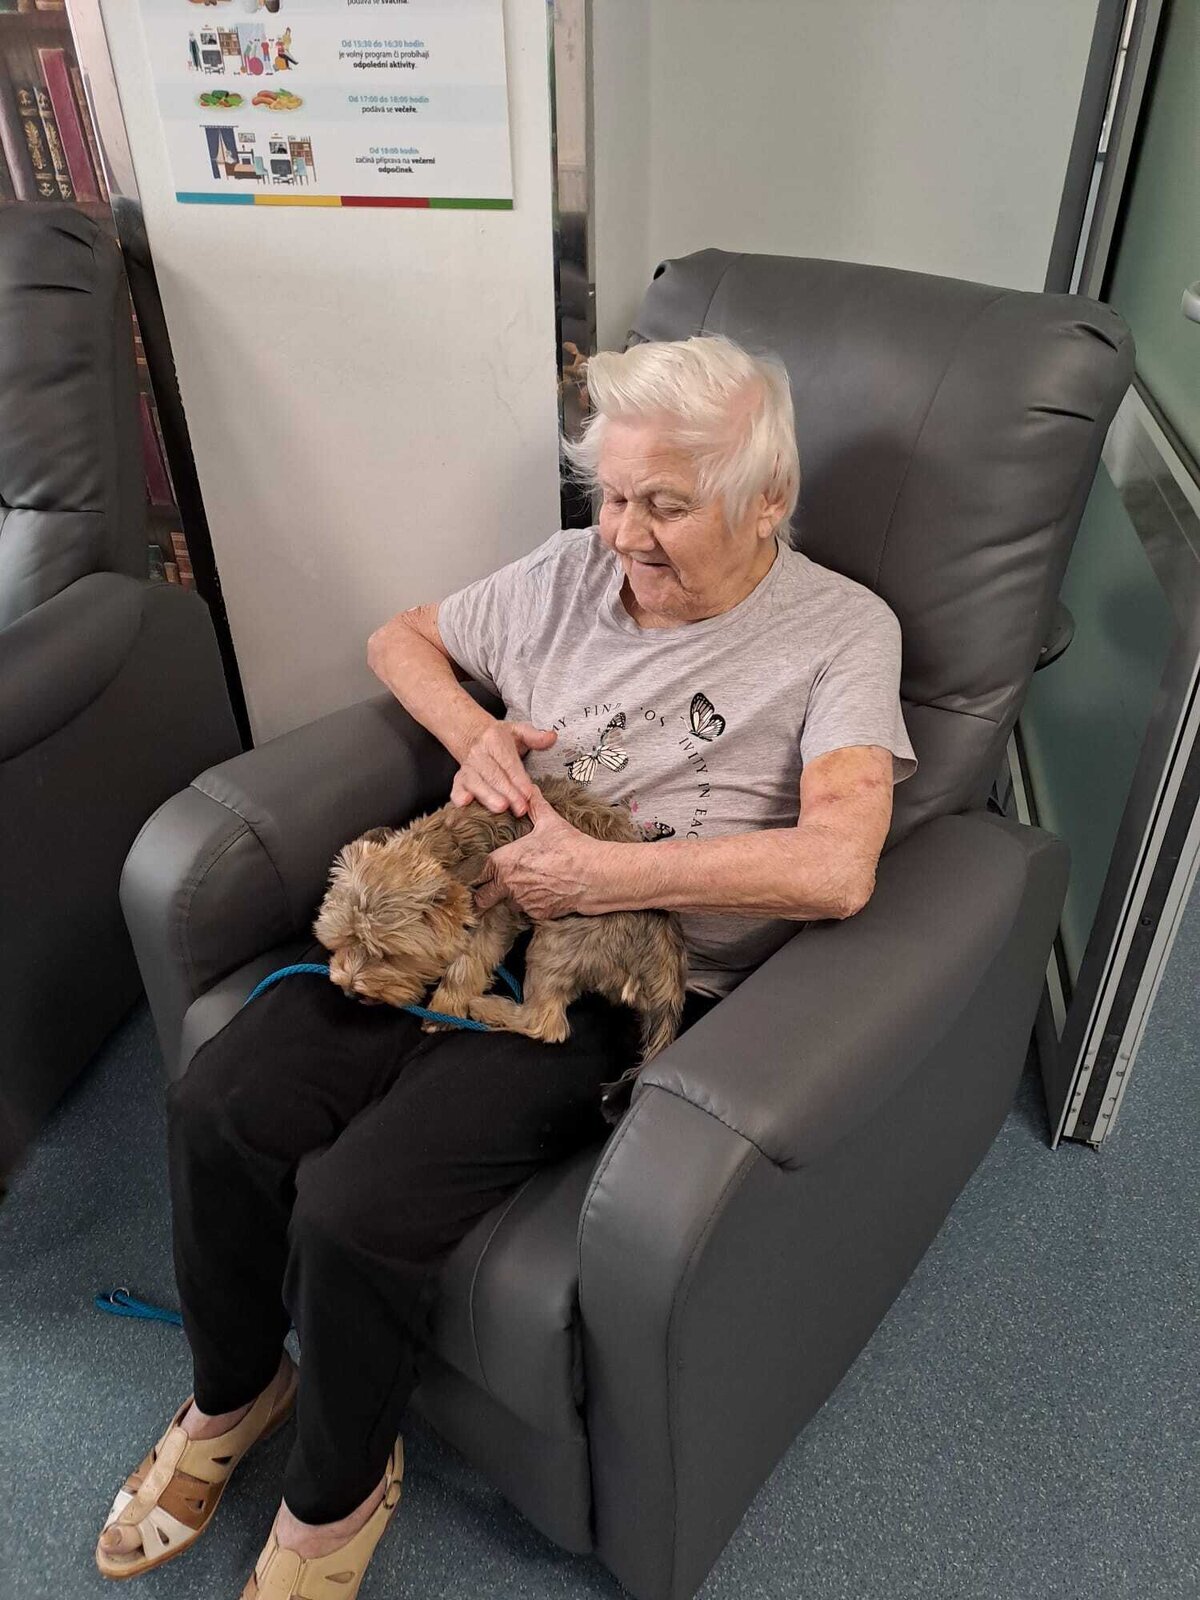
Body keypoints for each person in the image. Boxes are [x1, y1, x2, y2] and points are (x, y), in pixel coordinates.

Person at [95, 332, 917, 1597]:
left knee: (354, 1205)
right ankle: (236, 1389)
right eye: (612, 495)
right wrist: (474, 734)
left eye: (664, 504)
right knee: (219, 1103)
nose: (624, 536)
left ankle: (336, 1498)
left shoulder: (840, 631)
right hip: (462, 902)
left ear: (769, 499)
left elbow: (839, 864)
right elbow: (399, 638)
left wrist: (603, 878)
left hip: (614, 967)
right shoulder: (567, 570)